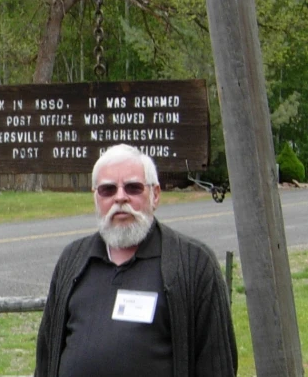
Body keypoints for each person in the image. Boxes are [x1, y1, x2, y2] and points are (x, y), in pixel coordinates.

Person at [34, 144, 237, 377]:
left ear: (155, 195)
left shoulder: (194, 265)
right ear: (95, 198)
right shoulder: (72, 260)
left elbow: (217, 366)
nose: (120, 197)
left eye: (133, 187)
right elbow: (46, 358)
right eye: (108, 190)